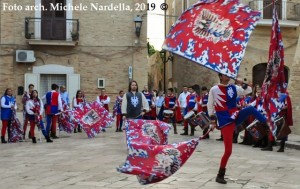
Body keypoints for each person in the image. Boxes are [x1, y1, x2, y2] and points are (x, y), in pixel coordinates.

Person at [208, 73, 268, 184]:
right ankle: (220, 175)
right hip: (225, 121)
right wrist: (212, 122)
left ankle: (267, 122)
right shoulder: (214, 89)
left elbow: (249, 90)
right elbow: (210, 105)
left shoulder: (234, 87)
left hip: (235, 115)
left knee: (250, 109)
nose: (228, 76)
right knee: (228, 151)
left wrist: (241, 82)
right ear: (220, 77)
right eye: (225, 74)